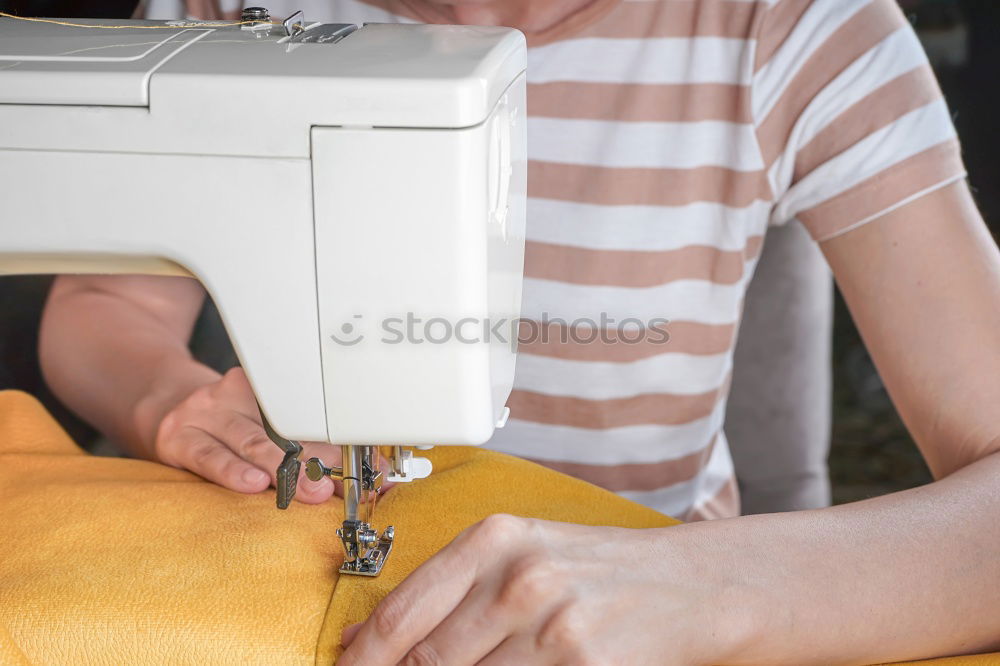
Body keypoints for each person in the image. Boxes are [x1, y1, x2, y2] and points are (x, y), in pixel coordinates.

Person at [41, 0, 1000, 663]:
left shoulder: (793, 28)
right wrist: (170, 401)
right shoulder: (226, 14)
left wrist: (706, 592)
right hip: (293, 567)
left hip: (647, 607)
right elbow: (105, 304)